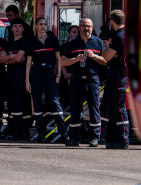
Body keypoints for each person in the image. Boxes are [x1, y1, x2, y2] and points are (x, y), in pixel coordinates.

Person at [60, 18, 107, 147]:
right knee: (75, 109)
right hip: (76, 80)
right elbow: (62, 61)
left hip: (92, 80)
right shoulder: (72, 43)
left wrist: (94, 56)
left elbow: (106, 61)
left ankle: (95, 138)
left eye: (89, 27)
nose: (86, 29)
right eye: (84, 26)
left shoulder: (98, 42)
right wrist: (76, 59)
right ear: (80, 27)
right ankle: (74, 138)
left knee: (94, 109)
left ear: (92, 28)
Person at [26, 17, 67, 143]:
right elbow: (28, 62)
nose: (43, 26)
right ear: (36, 26)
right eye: (40, 24)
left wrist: (59, 74)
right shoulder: (32, 41)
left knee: (55, 101)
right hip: (36, 72)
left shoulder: (52, 39)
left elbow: (58, 58)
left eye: (45, 24)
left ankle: (63, 133)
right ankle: (41, 134)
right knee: (37, 103)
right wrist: (27, 81)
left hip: (49, 72)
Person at [100, 10, 130, 149]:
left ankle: (123, 140)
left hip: (118, 71)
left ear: (112, 21)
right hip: (119, 71)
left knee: (118, 106)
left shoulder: (119, 36)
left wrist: (106, 48)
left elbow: (106, 56)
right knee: (106, 104)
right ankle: (102, 136)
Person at [0, 18, 31, 141]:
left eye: (20, 26)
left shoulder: (25, 42)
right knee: (12, 105)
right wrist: (11, 56)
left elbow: (18, 59)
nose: (17, 28)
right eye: (15, 26)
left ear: (23, 28)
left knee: (21, 105)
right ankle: (15, 129)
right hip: (10, 77)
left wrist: (9, 58)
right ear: (11, 28)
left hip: (21, 77)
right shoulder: (8, 43)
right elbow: (0, 60)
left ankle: (20, 131)